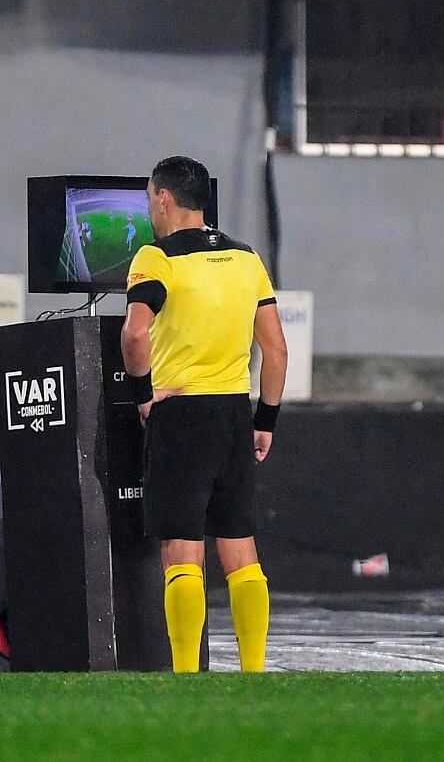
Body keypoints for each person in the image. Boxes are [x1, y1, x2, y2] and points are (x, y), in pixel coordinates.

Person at [121, 155, 289, 674]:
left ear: (164, 198)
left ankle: (186, 674)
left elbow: (133, 333)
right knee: (239, 545)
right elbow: (277, 350)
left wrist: (144, 393)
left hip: (181, 415)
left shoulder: (156, 257)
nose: (151, 207)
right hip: (235, 414)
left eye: (151, 198)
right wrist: (265, 422)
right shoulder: (246, 257)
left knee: (182, 547)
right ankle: (254, 671)